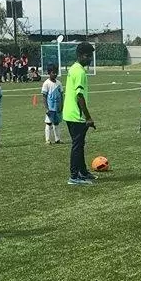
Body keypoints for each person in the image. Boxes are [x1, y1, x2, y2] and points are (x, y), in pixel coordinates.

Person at [62, 42, 97, 185]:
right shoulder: (80, 72)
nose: (90, 59)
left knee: (80, 144)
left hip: (69, 113)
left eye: (91, 56)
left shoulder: (74, 68)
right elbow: (79, 96)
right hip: (76, 115)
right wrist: (88, 117)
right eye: (88, 56)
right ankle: (74, 176)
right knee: (77, 145)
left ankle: (82, 172)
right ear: (80, 55)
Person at [41, 65, 64, 144]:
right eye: (53, 73)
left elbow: (61, 95)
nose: (55, 74)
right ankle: (48, 140)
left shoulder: (59, 83)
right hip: (50, 108)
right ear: (49, 73)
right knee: (48, 123)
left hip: (57, 107)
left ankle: (57, 139)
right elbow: (44, 96)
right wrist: (46, 108)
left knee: (56, 123)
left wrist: (61, 105)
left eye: (56, 73)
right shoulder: (46, 83)